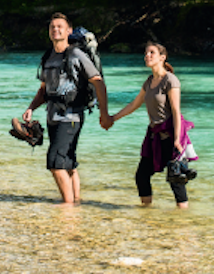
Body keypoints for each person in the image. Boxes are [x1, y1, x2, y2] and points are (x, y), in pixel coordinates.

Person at [20, 13, 109, 204]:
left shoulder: (77, 55)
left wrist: (104, 113)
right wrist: (31, 108)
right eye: (52, 27)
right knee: (68, 163)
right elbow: (44, 90)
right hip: (53, 115)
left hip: (71, 116)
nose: (55, 29)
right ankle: (76, 201)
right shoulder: (48, 57)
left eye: (60, 26)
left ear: (69, 30)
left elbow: (98, 82)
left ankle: (67, 208)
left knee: (55, 162)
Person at [104, 41, 194, 209]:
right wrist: (112, 118)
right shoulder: (149, 81)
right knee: (142, 175)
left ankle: (183, 221)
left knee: (176, 180)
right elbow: (134, 104)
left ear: (162, 57)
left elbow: (176, 111)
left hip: (171, 135)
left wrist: (177, 140)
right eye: (146, 53)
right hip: (154, 136)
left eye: (152, 53)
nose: (147, 56)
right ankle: (146, 212)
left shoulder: (170, 80)